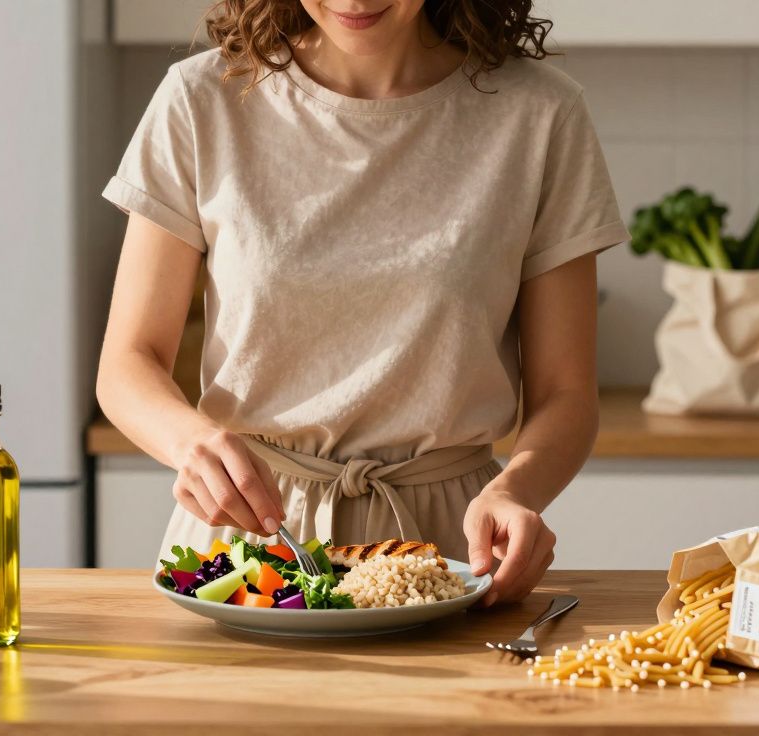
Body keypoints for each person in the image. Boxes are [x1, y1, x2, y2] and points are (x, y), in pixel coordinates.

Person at [97, 0, 628, 605]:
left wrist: (518, 491)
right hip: (248, 545)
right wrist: (188, 442)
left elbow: (566, 393)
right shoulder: (200, 99)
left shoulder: (541, 113)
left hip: (450, 551)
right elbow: (127, 363)